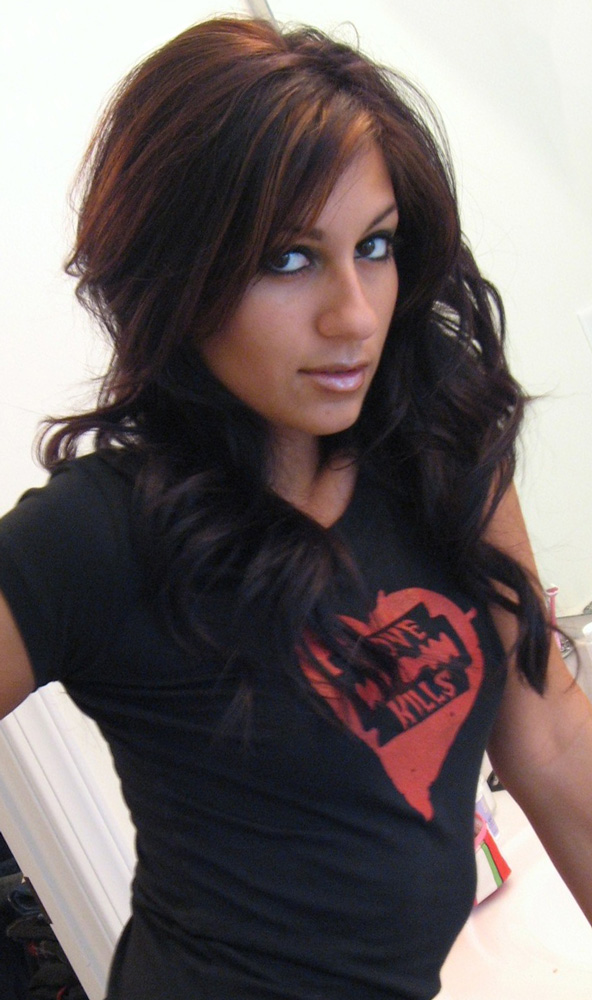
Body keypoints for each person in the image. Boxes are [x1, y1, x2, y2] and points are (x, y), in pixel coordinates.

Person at [0, 15, 591, 1000]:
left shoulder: (434, 437)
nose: (352, 314)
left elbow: (550, 731)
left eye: (374, 245)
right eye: (287, 258)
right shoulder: (98, 535)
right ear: (178, 272)